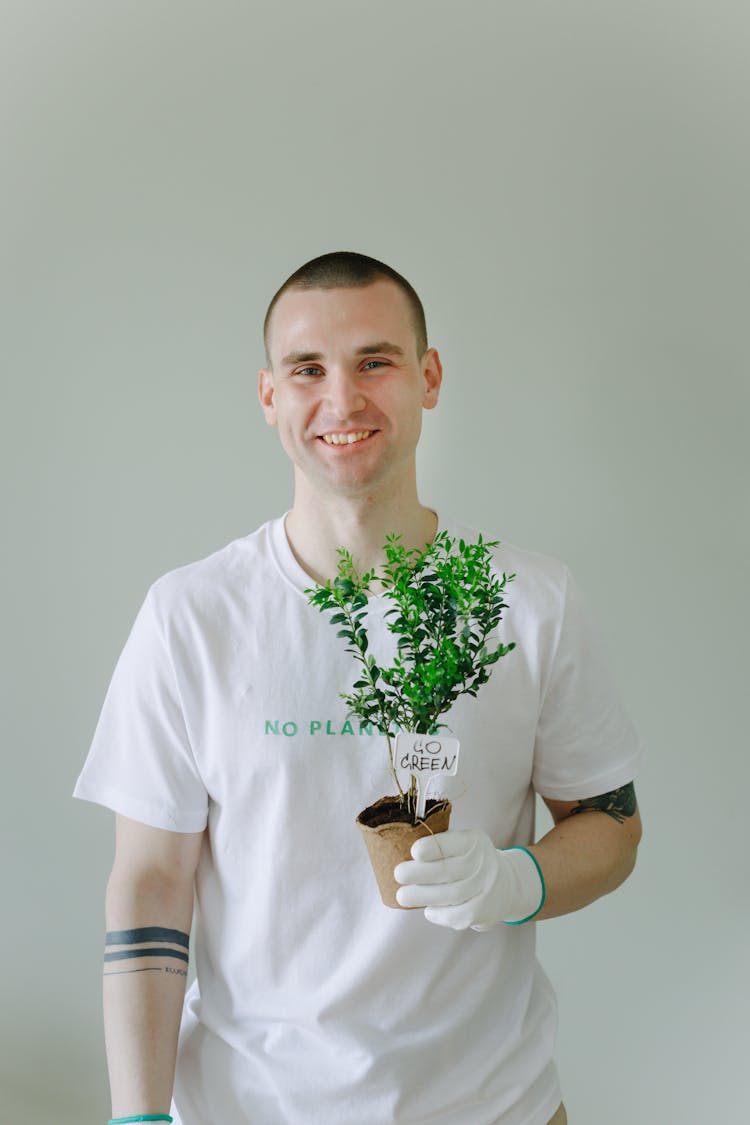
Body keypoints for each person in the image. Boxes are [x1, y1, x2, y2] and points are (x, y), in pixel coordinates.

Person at [74, 250, 643, 1125]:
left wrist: (517, 878)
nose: (342, 401)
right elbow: (150, 880)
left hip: (494, 1109)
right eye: (308, 369)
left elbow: (610, 821)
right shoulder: (190, 616)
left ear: (430, 377)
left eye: (375, 360)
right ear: (270, 395)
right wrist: (137, 1115)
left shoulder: (529, 602)